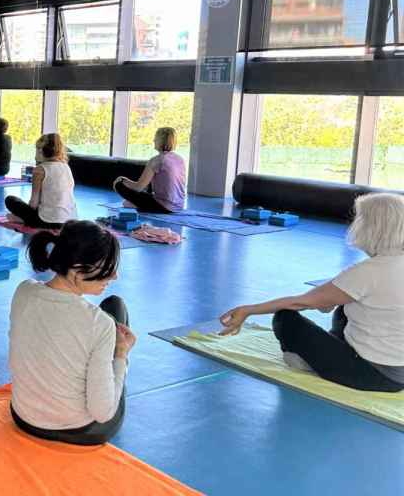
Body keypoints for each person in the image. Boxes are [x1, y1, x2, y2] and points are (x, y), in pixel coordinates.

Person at [218, 193, 404, 393]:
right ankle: (332, 350)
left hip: (372, 375)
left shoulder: (369, 271)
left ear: (371, 229)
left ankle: (310, 360)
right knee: (345, 307)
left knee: (285, 317)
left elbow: (300, 303)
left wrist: (247, 310)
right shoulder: (379, 269)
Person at [10, 221, 134, 446]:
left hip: (22, 416)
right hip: (78, 430)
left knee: (110, 308)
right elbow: (103, 412)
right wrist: (121, 355)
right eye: (106, 268)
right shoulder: (100, 324)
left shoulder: (24, 290)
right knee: (117, 308)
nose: (114, 276)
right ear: (77, 268)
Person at [5, 133, 77, 229]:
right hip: (69, 221)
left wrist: (25, 215)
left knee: (10, 200)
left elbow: (34, 202)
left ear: (41, 150)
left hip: (46, 221)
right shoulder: (66, 167)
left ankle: (24, 220)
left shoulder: (39, 170)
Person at [113, 127, 185, 214]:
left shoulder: (156, 160)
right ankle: (140, 204)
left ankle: (139, 205)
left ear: (160, 141)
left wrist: (122, 179)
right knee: (132, 200)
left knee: (119, 186)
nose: (153, 140)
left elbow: (139, 187)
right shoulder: (180, 159)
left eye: (155, 138)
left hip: (164, 207)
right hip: (179, 205)